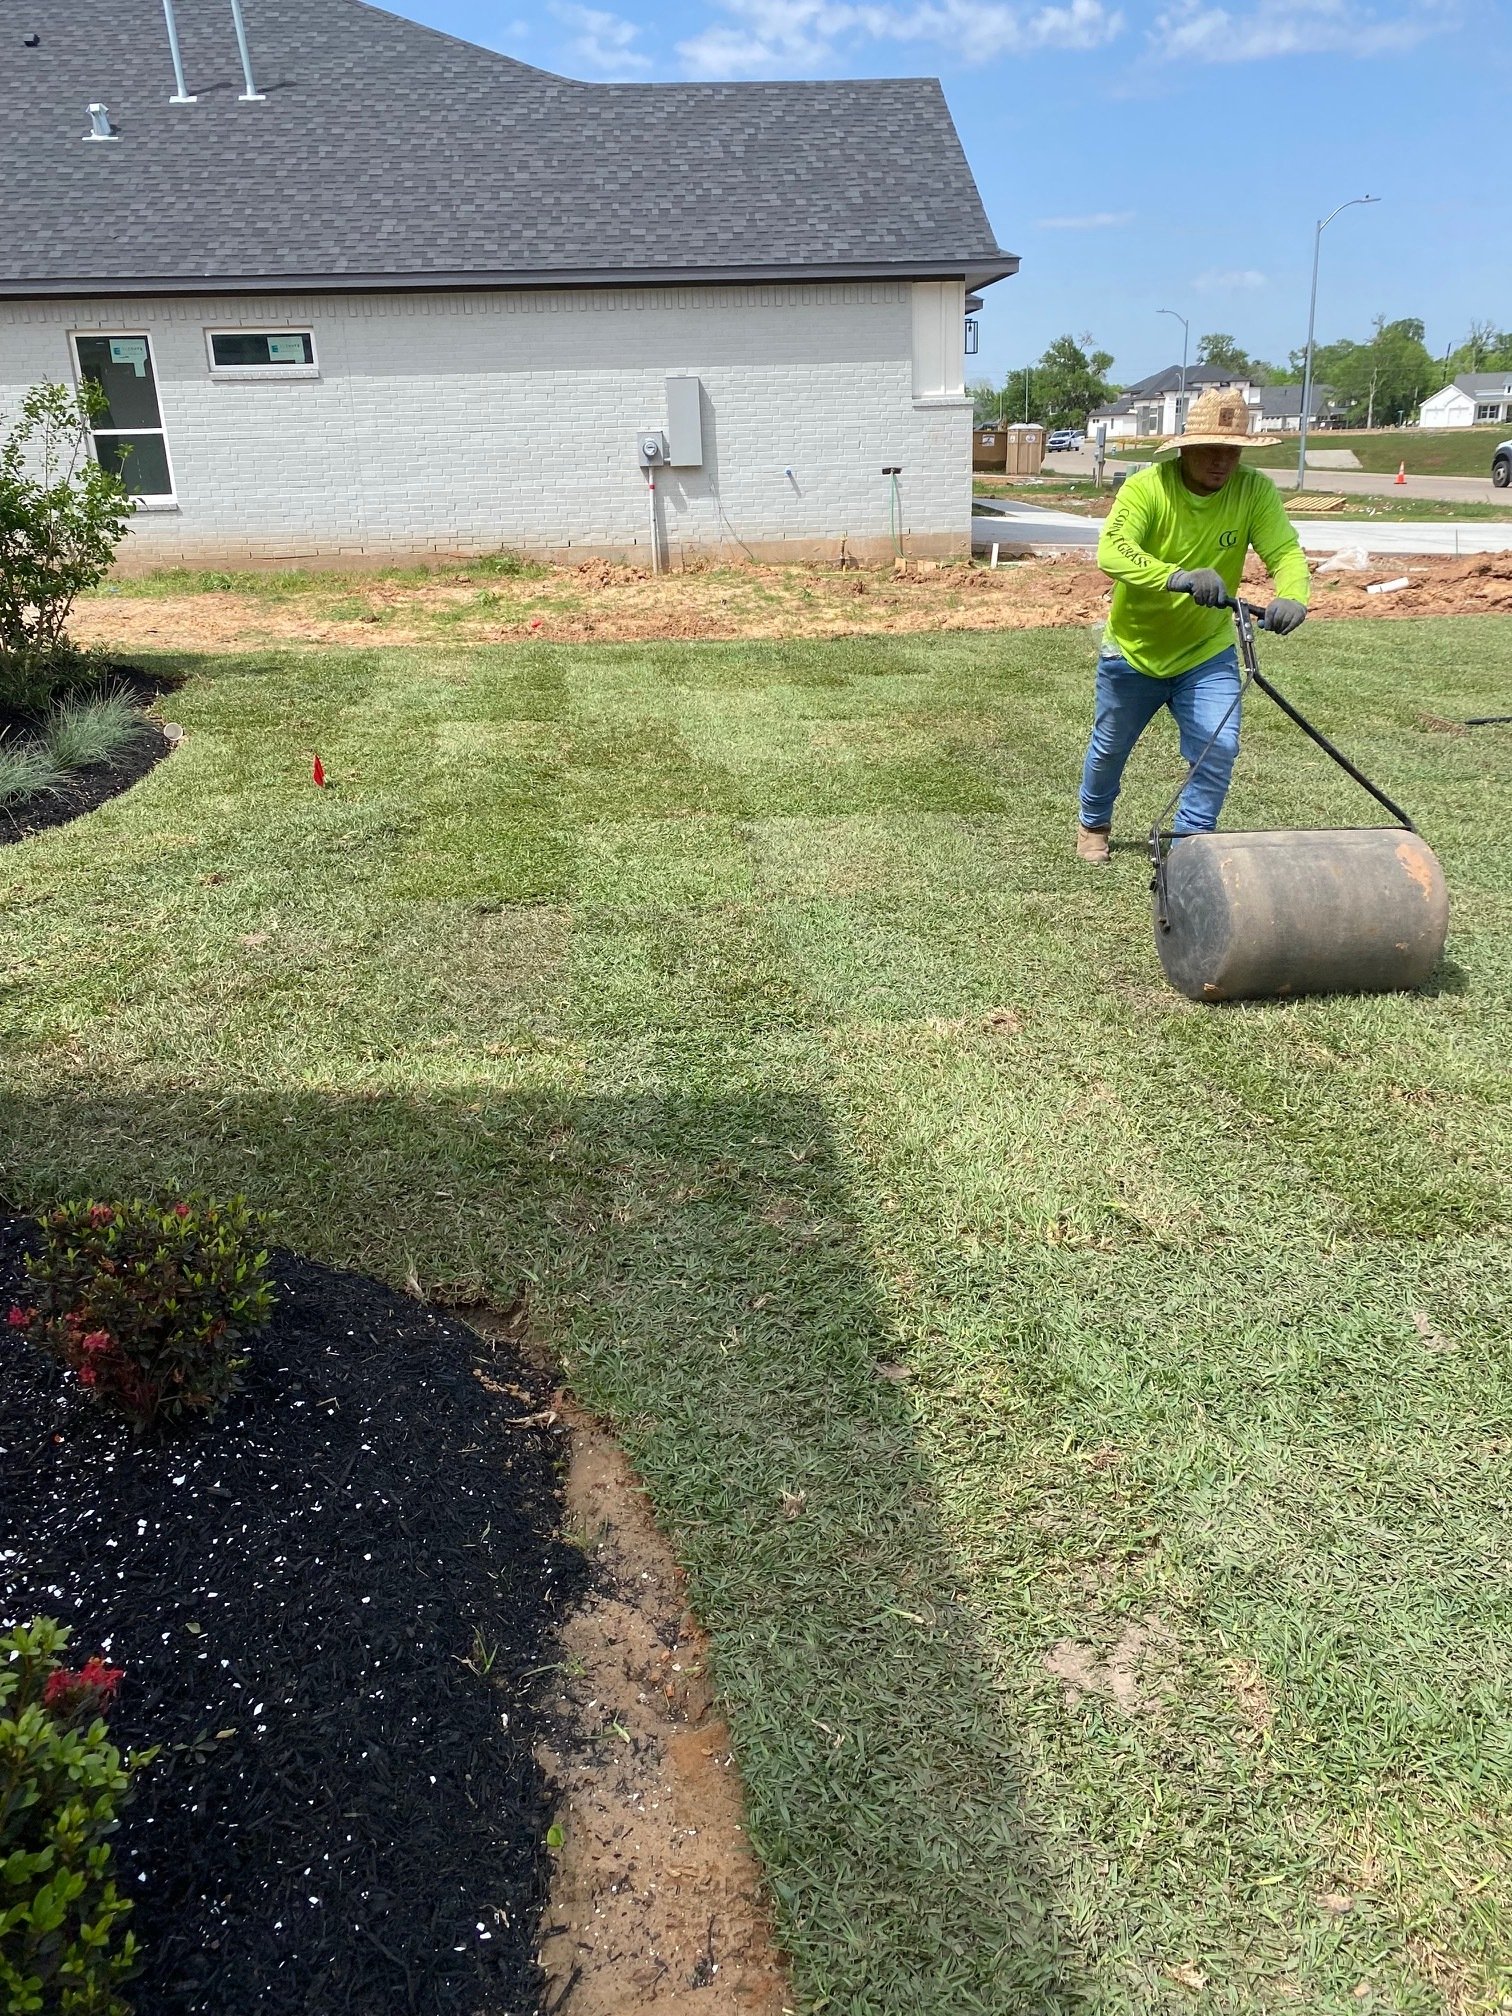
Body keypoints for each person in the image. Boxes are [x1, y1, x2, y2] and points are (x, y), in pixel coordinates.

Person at [1075, 385, 1311, 863]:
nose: (1222, 461)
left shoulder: (1254, 491)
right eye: (1209, 450)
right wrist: (1176, 577)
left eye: (1232, 451)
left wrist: (1293, 595)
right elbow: (1112, 552)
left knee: (1217, 745)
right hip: (1134, 650)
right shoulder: (1147, 488)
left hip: (1206, 652)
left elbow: (1284, 552)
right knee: (1109, 748)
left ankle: (1189, 844)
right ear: (1184, 448)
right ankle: (1093, 823)